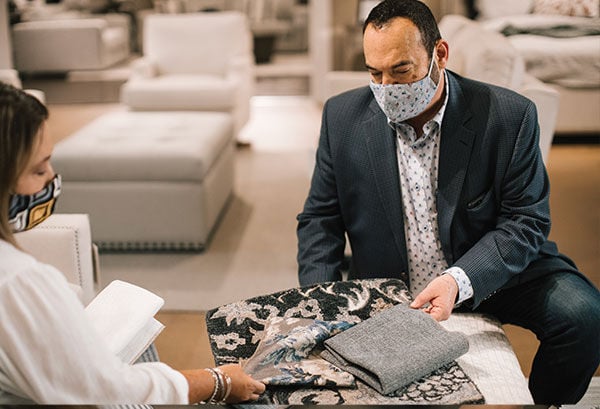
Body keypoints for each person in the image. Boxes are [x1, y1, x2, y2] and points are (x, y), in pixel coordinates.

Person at [296, 0, 600, 404]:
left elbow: (525, 222)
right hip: (391, 283)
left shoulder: (509, 116)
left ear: (439, 53)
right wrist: (323, 301)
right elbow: (321, 219)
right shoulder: (342, 117)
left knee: (585, 317)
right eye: (375, 72)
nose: (386, 88)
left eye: (401, 70)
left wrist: (458, 280)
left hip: (491, 274)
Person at [0, 82, 266, 404]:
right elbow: (106, 387)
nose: (51, 178)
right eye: (38, 169)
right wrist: (217, 381)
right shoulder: (19, 281)